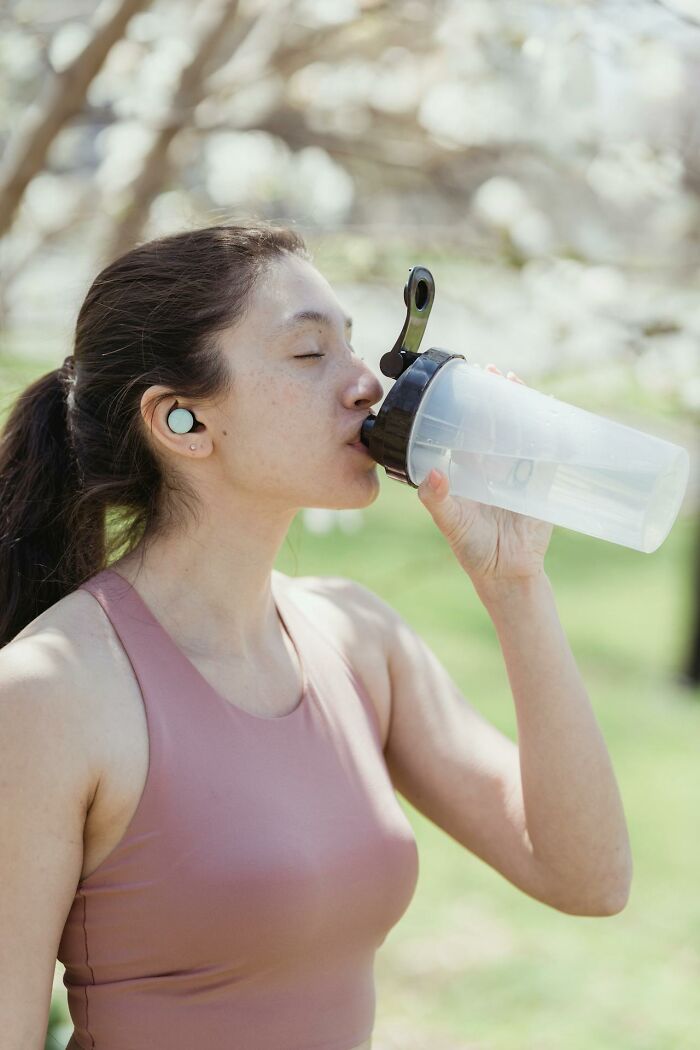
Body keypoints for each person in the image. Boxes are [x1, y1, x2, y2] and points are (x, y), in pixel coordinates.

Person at [0, 222, 632, 1050]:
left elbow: (587, 876)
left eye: (355, 347)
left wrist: (515, 586)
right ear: (181, 419)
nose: (367, 385)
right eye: (309, 355)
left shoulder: (358, 638)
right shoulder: (51, 692)